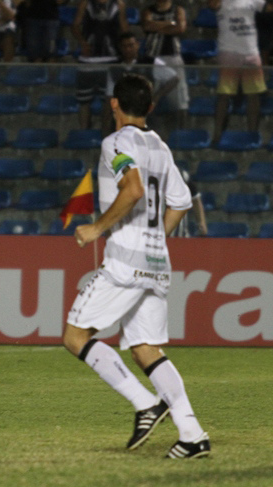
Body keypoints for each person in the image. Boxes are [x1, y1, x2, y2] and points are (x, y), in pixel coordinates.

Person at [63, 73, 210, 459]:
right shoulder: (160, 147)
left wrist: (96, 228)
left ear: (113, 104)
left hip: (126, 261)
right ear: (150, 107)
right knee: (147, 349)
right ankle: (193, 434)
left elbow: (132, 189)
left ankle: (146, 404)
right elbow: (179, 202)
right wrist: (155, 240)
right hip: (157, 261)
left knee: (75, 337)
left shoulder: (116, 142)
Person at [209, 0, 271, 142]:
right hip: (229, 52)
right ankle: (217, 134)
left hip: (251, 52)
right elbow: (212, 5)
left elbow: (268, 8)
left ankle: (252, 133)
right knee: (224, 94)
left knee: (253, 96)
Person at [103, 32, 179, 135]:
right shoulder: (114, 68)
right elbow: (109, 96)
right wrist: (106, 122)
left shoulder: (150, 63)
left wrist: (157, 96)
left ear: (137, 45)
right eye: (124, 46)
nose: (128, 49)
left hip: (147, 114)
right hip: (123, 115)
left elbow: (174, 78)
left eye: (131, 45)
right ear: (120, 48)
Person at [72, 0, 128, 129]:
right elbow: (75, 26)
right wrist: (83, 43)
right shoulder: (85, 3)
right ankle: (84, 133)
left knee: (110, 100)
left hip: (112, 59)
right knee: (84, 100)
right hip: (88, 60)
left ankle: (107, 132)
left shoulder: (118, 4)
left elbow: (124, 29)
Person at [141, 0, 189, 123]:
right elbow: (147, 25)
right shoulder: (148, 10)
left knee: (179, 99)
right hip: (153, 58)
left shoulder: (178, 10)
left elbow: (180, 28)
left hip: (173, 58)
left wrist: (156, 27)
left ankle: (180, 133)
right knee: (151, 96)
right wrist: (169, 24)